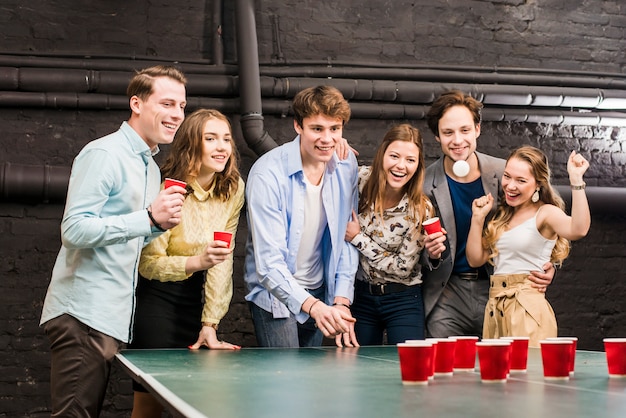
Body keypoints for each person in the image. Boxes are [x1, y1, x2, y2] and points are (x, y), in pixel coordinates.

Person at [39, 65, 188, 417]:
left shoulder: (150, 167)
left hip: (109, 318)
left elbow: (128, 233)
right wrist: (149, 218)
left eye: (181, 106)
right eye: (166, 103)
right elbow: (74, 230)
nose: (176, 114)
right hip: (83, 313)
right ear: (136, 103)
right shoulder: (105, 154)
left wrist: (158, 225)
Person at [129, 109, 245, 417]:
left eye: (226, 139)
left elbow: (222, 261)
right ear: (191, 144)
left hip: (197, 301)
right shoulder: (168, 187)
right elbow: (149, 264)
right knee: (148, 407)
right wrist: (198, 260)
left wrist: (211, 323)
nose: (222, 147)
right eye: (211, 139)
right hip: (158, 303)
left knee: (198, 403)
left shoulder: (233, 189)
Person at [421, 89, 556, 338]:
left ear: (477, 129)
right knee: (447, 372)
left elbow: (541, 216)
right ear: (437, 137)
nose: (457, 140)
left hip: (499, 290)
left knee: (502, 370)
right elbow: (412, 249)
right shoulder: (423, 183)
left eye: (464, 130)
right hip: (447, 294)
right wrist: (430, 254)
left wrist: (550, 263)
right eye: (448, 132)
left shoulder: (505, 173)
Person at [244, 85, 360, 348]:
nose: (327, 139)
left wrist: (340, 300)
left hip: (322, 291)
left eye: (335, 129)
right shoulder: (267, 174)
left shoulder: (345, 165)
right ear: (298, 126)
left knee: (309, 383)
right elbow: (269, 266)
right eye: (317, 129)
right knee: (285, 382)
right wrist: (315, 307)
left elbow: (346, 237)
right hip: (276, 294)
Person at [466, 146, 590, 346]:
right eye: (507, 176)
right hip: (495, 306)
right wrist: (478, 219)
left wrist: (576, 181)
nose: (510, 186)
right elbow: (475, 259)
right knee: (496, 376)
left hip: (526, 306)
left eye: (521, 180)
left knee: (528, 375)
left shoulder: (545, 213)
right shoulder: (502, 214)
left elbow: (579, 229)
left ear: (538, 184)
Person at [344, 124, 435, 345]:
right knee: (358, 365)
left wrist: (358, 239)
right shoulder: (359, 180)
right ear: (382, 154)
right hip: (362, 296)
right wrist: (339, 147)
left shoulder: (420, 209)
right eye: (394, 156)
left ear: (418, 165)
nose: (401, 166)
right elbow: (324, 171)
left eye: (410, 160)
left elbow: (403, 268)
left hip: (403, 298)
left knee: (408, 366)